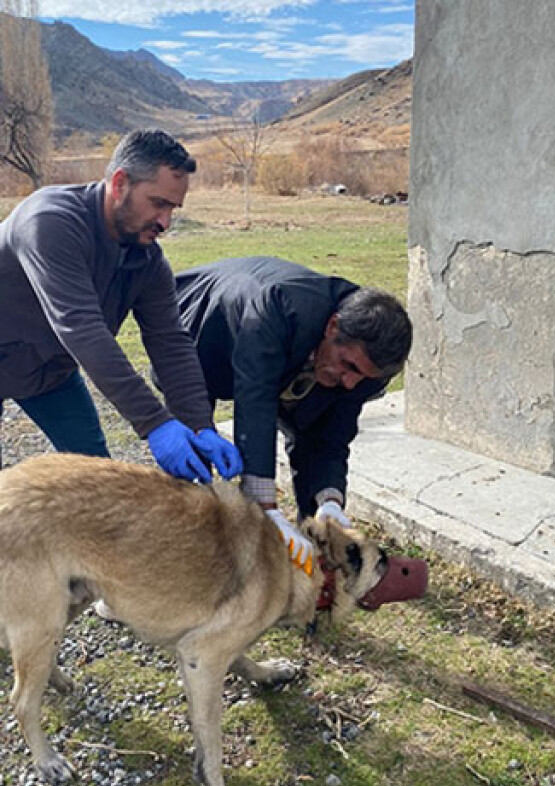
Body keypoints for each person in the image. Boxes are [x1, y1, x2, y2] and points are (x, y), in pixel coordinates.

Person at [0, 128, 240, 482]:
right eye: (158, 203)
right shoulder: (50, 222)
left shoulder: (147, 262)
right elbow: (82, 328)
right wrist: (155, 423)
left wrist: (200, 425)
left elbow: (170, 343)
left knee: (97, 477)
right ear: (119, 183)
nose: (166, 222)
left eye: (173, 208)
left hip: (48, 374)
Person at [171, 256, 412, 567]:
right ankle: (174, 568)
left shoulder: (368, 365)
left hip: (287, 349)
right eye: (349, 366)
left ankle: (305, 571)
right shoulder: (278, 308)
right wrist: (265, 506)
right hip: (201, 331)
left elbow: (329, 435)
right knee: (192, 456)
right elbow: (255, 402)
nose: (351, 383)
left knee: (313, 428)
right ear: (332, 326)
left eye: (363, 377)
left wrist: (329, 500)